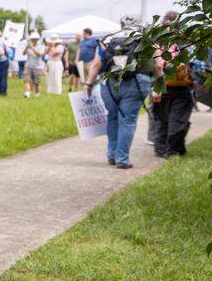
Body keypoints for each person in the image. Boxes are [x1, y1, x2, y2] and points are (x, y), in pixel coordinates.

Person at [84, 23, 155, 169]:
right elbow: (158, 65)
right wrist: (159, 88)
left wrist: (89, 84)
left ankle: (111, 155)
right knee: (127, 120)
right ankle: (122, 159)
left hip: (110, 83)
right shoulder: (144, 40)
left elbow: (96, 65)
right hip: (137, 82)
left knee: (112, 117)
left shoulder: (109, 40)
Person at [152, 16, 196, 158]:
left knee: (162, 119)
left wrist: (157, 88)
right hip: (183, 87)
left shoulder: (158, 44)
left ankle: (161, 148)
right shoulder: (185, 43)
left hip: (163, 85)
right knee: (178, 118)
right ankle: (173, 148)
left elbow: (158, 66)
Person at [22, 32, 45, 98]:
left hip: (38, 67)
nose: (33, 40)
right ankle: (27, 93)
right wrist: (26, 47)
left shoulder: (41, 46)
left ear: (37, 39)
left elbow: (39, 54)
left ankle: (37, 94)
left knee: (36, 82)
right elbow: (23, 53)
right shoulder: (28, 45)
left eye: (35, 39)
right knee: (26, 80)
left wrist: (32, 48)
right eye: (32, 39)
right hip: (28, 65)